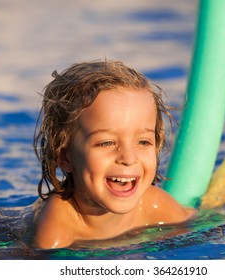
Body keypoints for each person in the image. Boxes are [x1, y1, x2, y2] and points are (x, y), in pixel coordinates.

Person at [32, 60, 196, 249]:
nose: (129, 158)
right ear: (65, 156)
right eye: (107, 143)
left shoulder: (154, 206)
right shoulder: (56, 233)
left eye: (143, 142)